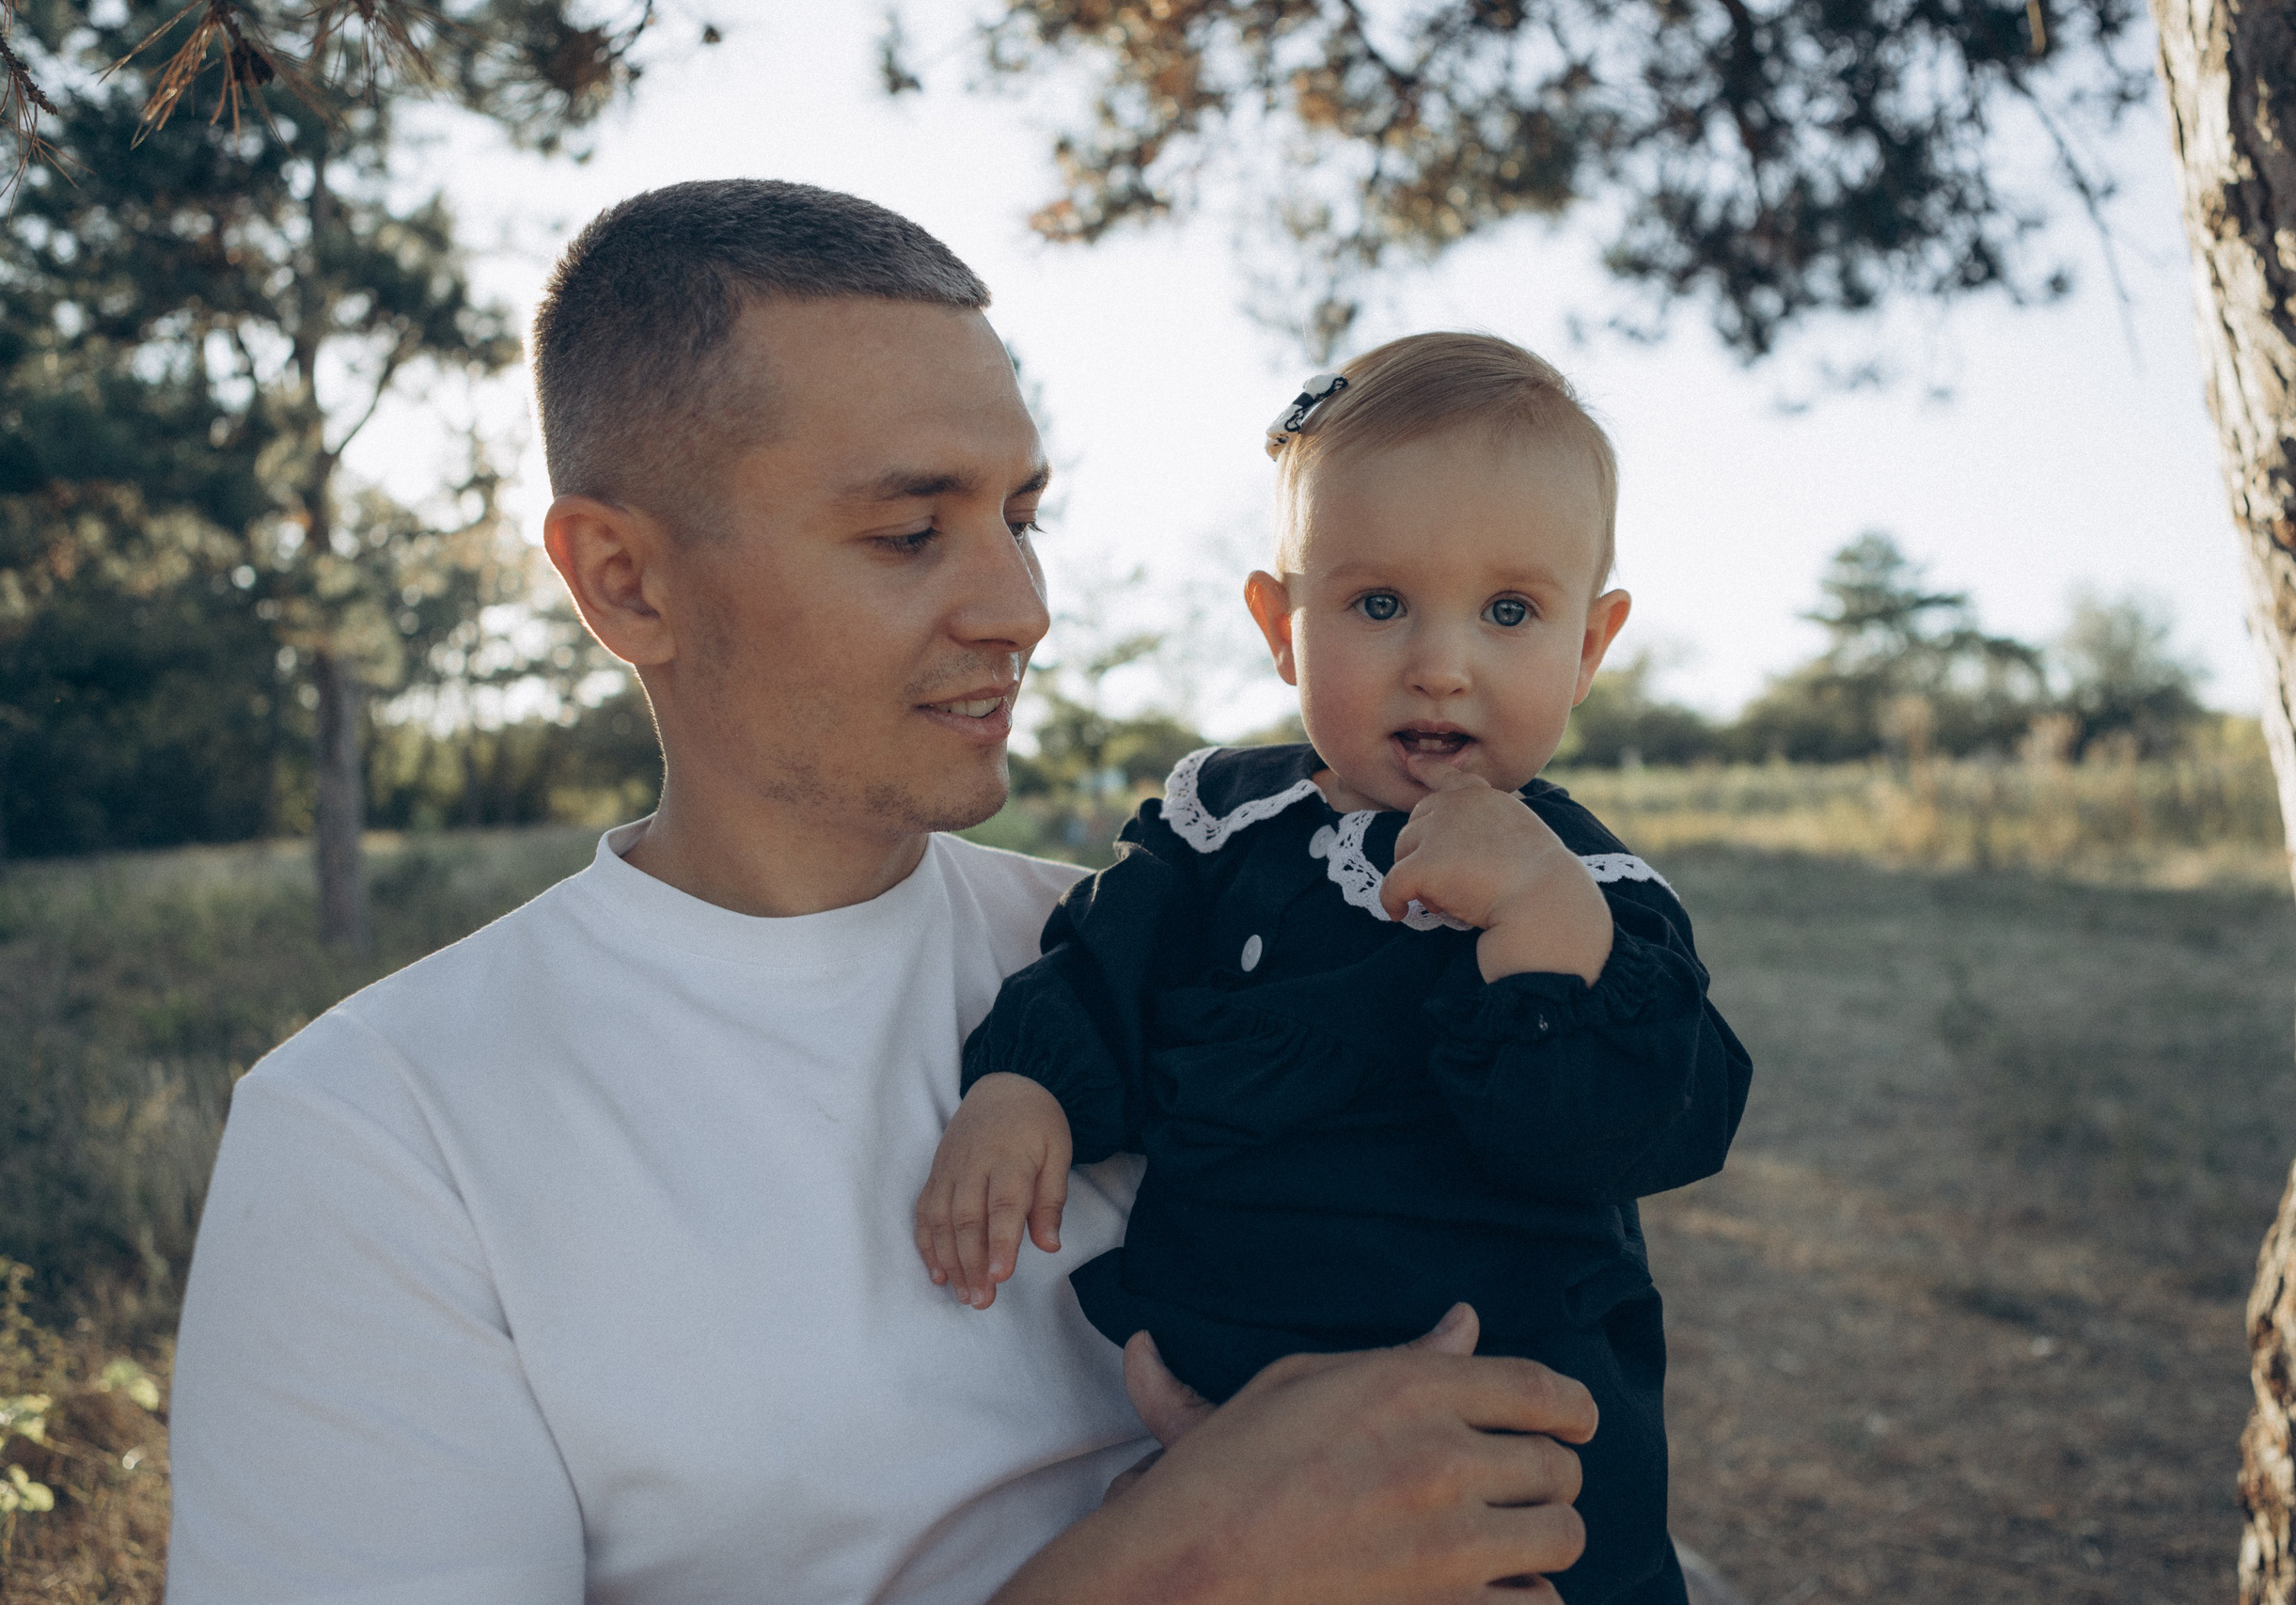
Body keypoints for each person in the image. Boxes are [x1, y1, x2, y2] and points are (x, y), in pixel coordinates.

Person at [165, 181, 1602, 1605]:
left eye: (1021, 517)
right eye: (912, 533)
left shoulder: (1172, 947)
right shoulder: (379, 1138)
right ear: (625, 582)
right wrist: (1180, 1572)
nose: (1021, 607)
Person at [914, 334, 1753, 1604]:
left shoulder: (1592, 892)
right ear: (1279, 626)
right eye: (1377, 604)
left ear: (1589, 645)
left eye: (1511, 612)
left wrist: (1535, 921)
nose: (1442, 661)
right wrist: (1024, 1087)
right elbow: (1102, 970)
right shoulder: (1219, 831)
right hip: (1232, 1437)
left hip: (1513, 1443)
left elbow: (1635, 1124)